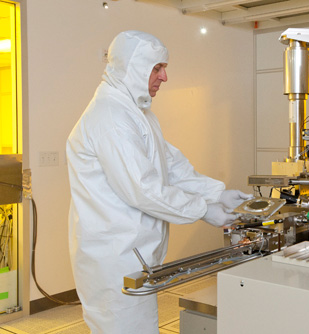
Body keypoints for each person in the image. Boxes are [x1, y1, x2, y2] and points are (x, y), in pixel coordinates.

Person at [66, 30, 252, 334]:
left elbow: (172, 167)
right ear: (133, 68)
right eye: (157, 68)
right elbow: (144, 190)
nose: (164, 77)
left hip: (134, 258)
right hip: (114, 264)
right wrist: (205, 210)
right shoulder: (111, 118)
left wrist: (219, 193)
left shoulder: (138, 113)